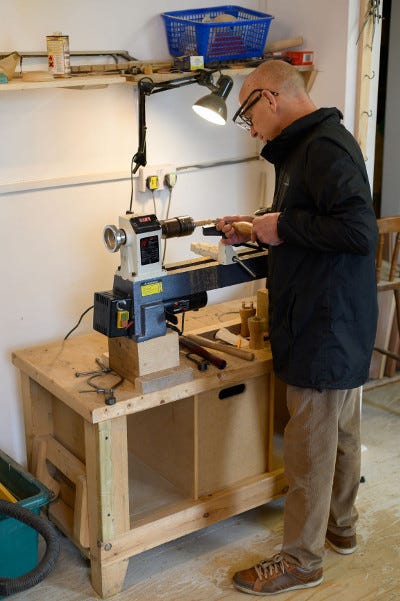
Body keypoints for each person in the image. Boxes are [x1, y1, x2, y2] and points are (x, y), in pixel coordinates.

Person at [216, 60, 378, 596]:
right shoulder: (306, 148)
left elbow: (357, 230)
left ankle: (302, 561)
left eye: (247, 113)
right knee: (341, 430)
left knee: (311, 445)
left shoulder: (324, 147)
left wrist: (280, 225)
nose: (251, 126)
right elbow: (313, 222)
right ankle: (341, 528)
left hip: (324, 323)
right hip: (333, 317)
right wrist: (254, 227)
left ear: (271, 97)